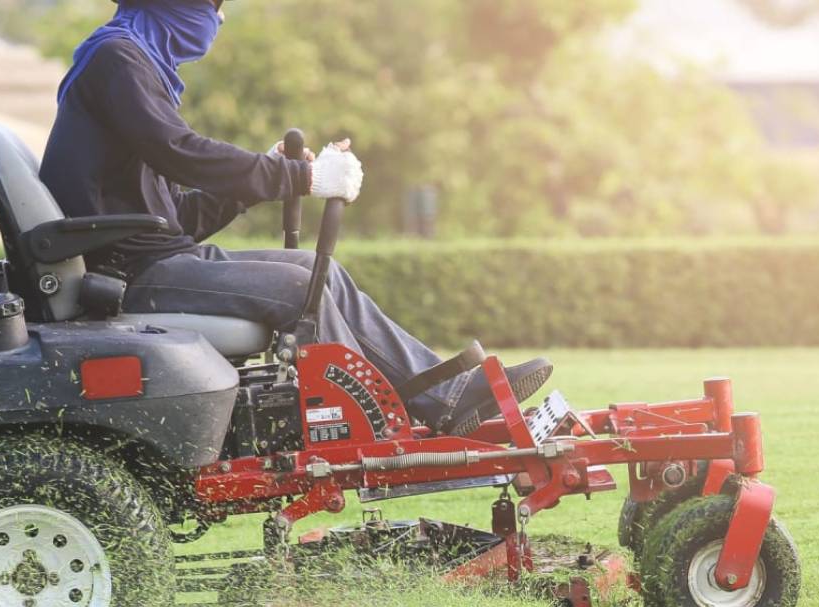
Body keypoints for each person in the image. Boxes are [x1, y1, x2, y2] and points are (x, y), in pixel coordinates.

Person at [40, 0, 551, 435]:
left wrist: (266, 176)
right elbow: (183, 152)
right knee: (295, 290)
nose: (214, 20)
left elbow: (176, 216)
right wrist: (293, 178)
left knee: (316, 271)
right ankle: (372, 422)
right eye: (209, 7)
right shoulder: (117, 58)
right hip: (127, 275)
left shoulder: (129, 61)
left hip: (150, 257)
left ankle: (444, 395)